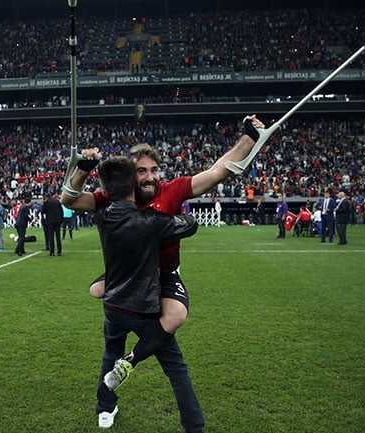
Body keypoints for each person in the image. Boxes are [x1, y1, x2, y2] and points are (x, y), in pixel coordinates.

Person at [62, 115, 265, 338]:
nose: (150, 177)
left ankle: (137, 353)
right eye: (142, 171)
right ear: (131, 175)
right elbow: (70, 200)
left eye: (155, 170)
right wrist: (83, 169)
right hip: (131, 273)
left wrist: (249, 138)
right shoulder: (118, 196)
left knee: (175, 315)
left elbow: (217, 172)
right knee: (96, 290)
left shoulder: (173, 189)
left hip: (165, 272)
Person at [93, 156, 203, 432]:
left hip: (114, 307)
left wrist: (83, 166)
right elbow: (189, 225)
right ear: (133, 183)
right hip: (144, 306)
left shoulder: (102, 216)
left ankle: (105, 409)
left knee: (110, 354)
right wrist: (174, 212)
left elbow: (70, 197)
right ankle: (194, 427)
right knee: (176, 369)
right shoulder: (149, 221)